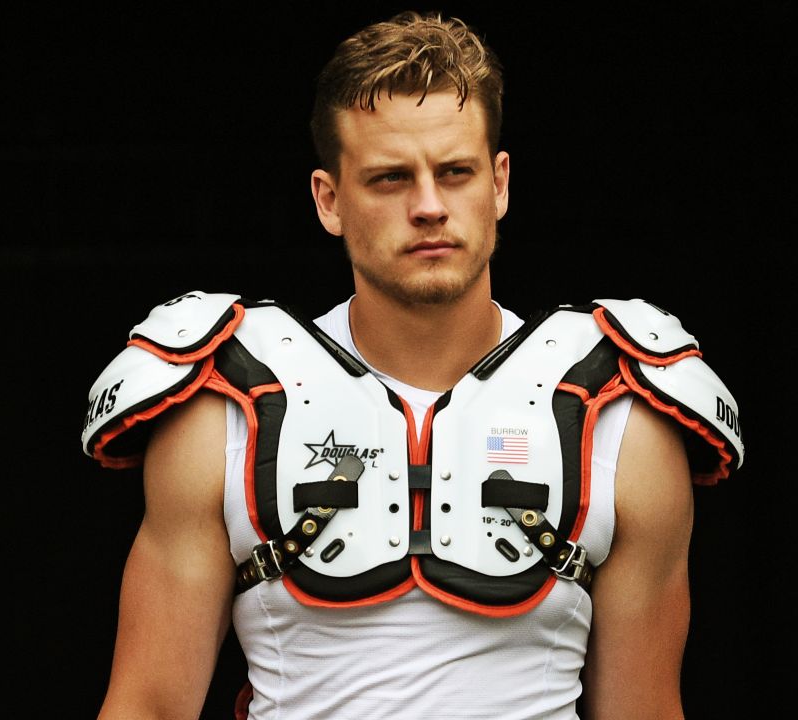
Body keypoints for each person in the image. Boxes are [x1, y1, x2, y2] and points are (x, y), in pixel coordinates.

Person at [81, 11, 742, 719]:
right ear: (328, 200)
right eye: (391, 179)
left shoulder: (620, 418)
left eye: (454, 173)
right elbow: (148, 704)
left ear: (499, 184)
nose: (428, 207)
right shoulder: (223, 411)